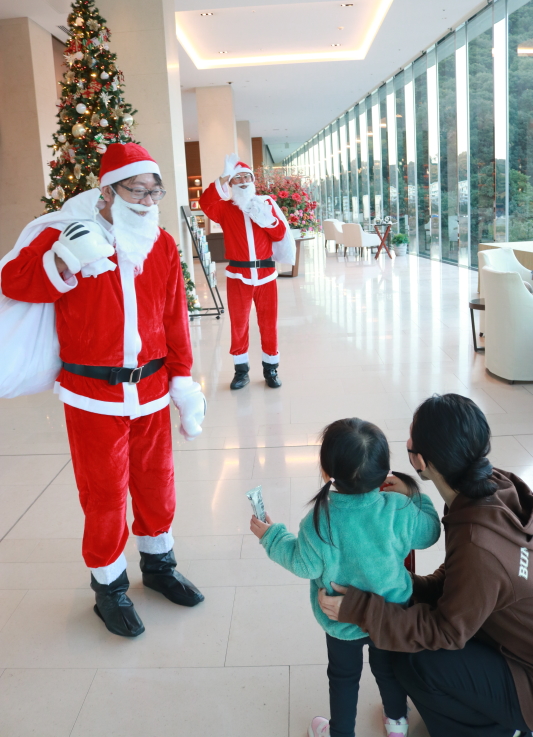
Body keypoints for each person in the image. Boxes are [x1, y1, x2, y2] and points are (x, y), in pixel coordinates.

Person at [0, 143, 206, 638]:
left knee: (157, 484)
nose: (146, 200)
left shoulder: (162, 244)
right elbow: (12, 279)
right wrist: (65, 259)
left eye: (153, 191)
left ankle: (158, 566)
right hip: (93, 396)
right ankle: (109, 587)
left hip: (153, 389)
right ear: (107, 191)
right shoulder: (65, 233)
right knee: (105, 495)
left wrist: (182, 378)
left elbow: (175, 318)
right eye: (136, 190)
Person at [318, 394, 533, 737]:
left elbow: (446, 630)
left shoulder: (478, 541)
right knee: (410, 626)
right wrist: (405, 585)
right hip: (513, 639)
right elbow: (463, 579)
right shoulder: (492, 486)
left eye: (410, 438)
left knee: (413, 659)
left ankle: (497, 730)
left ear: (419, 460)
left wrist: (361, 608)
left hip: (526, 683)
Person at [249, 417, 441, 737]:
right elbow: (431, 532)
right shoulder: (398, 508)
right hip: (391, 614)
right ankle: (396, 722)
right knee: (389, 671)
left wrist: (272, 537)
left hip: (340, 619)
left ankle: (341, 733)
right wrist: (413, 493)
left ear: (327, 473)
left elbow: (304, 564)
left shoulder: (319, 519)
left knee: (342, 677)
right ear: (384, 472)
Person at [199, 153, 295, 390]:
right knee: (239, 324)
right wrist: (221, 178)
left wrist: (266, 219)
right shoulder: (224, 208)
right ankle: (240, 371)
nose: (242, 180)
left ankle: (271, 368)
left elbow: (280, 234)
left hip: (266, 274)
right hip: (238, 276)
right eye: (236, 177)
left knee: (268, 323)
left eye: (246, 176)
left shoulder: (266, 203)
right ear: (230, 183)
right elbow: (205, 204)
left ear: (252, 180)